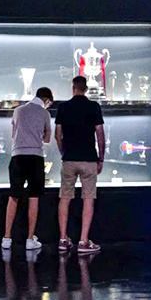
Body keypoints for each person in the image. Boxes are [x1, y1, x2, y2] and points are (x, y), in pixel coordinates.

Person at [55, 75, 106, 253]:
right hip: (89, 159)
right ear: (86, 89)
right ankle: (83, 242)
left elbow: (57, 135)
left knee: (65, 198)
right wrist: (101, 158)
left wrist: (63, 152)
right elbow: (100, 135)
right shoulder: (94, 107)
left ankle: (63, 239)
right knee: (88, 198)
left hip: (69, 159)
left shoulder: (63, 107)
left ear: (73, 88)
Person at [3, 86, 54, 251]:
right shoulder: (45, 113)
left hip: (17, 156)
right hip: (35, 157)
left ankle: (7, 237)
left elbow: (13, 134)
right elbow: (47, 139)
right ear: (46, 101)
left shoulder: (18, 110)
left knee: (14, 196)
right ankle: (30, 239)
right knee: (34, 197)